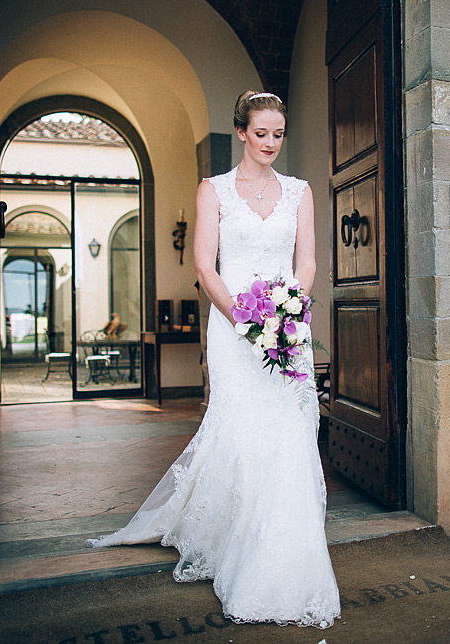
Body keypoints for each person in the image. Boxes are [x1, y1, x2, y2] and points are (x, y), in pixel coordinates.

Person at [87, 90, 340, 629]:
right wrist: (247, 322)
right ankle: (232, 536)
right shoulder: (214, 190)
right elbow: (205, 267)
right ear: (243, 132)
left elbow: (309, 260)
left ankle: (284, 553)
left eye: (278, 134)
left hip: (287, 327)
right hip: (232, 328)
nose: (271, 142)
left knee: (288, 433)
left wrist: (288, 314)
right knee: (242, 428)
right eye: (261, 133)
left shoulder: (300, 191)